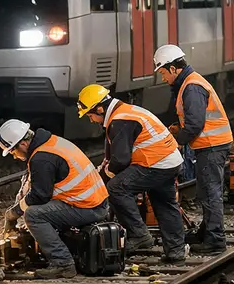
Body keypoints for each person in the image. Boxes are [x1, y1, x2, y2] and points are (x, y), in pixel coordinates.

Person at [76, 84, 187, 265]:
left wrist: (102, 181)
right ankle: (176, 251)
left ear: (100, 108)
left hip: (155, 163)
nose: (91, 120)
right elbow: (112, 157)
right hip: (170, 160)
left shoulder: (119, 120)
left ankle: (139, 235)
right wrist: (101, 172)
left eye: (90, 115)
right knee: (165, 204)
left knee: (116, 189)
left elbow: (120, 160)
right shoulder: (125, 112)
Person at [0, 118, 110, 279]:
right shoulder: (51, 142)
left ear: (22, 144)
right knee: (40, 211)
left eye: (13, 152)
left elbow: (40, 195)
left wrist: (13, 213)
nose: (14, 157)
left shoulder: (41, 158)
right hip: (93, 201)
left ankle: (62, 263)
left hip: (89, 207)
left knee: (34, 215)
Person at [153, 44, 232, 256]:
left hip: (212, 146)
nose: (163, 78)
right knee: (207, 191)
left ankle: (215, 240)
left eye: (163, 73)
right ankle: (207, 234)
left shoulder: (192, 86)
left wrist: (178, 141)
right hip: (211, 145)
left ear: (173, 68)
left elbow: (195, 125)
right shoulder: (190, 82)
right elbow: (194, 121)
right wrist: (178, 129)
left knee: (210, 193)